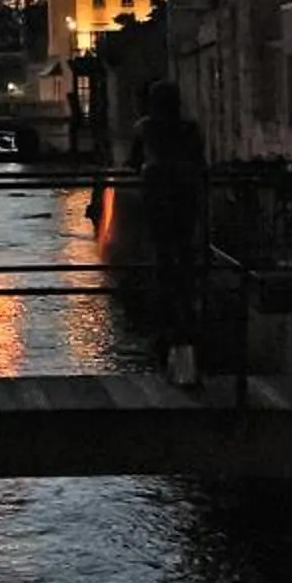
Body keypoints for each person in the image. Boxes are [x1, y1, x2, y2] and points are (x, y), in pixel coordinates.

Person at [127, 78, 207, 382]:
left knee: (162, 247)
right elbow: (200, 161)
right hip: (185, 194)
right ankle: (186, 306)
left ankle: (165, 310)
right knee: (185, 245)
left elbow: (134, 162)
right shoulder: (190, 128)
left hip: (157, 193)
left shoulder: (145, 128)